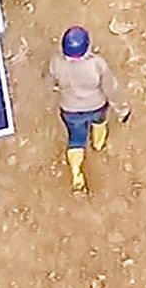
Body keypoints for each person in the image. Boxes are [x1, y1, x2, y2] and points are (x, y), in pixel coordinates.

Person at [47, 26, 128, 193]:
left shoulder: (56, 62)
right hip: (96, 107)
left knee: (75, 139)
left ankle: (77, 173)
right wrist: (122, 109)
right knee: (100, 123)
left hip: (69, 110)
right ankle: (98, 144)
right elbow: (110, 89)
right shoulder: (97, 65)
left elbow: (49, 83)